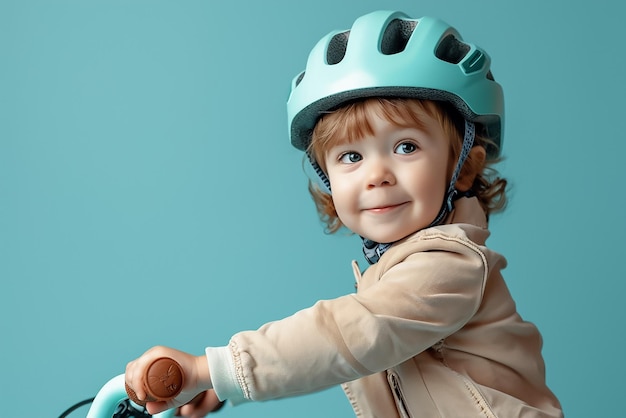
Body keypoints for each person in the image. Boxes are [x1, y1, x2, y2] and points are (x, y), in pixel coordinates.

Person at [125, 10, 563, 417]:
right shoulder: (398, 269)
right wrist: (224, 386)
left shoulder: (451, 264)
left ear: (462, 165)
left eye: (406, 147)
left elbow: (353, 333)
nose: (376, 175)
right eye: (350, 156)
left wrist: (216, 369)